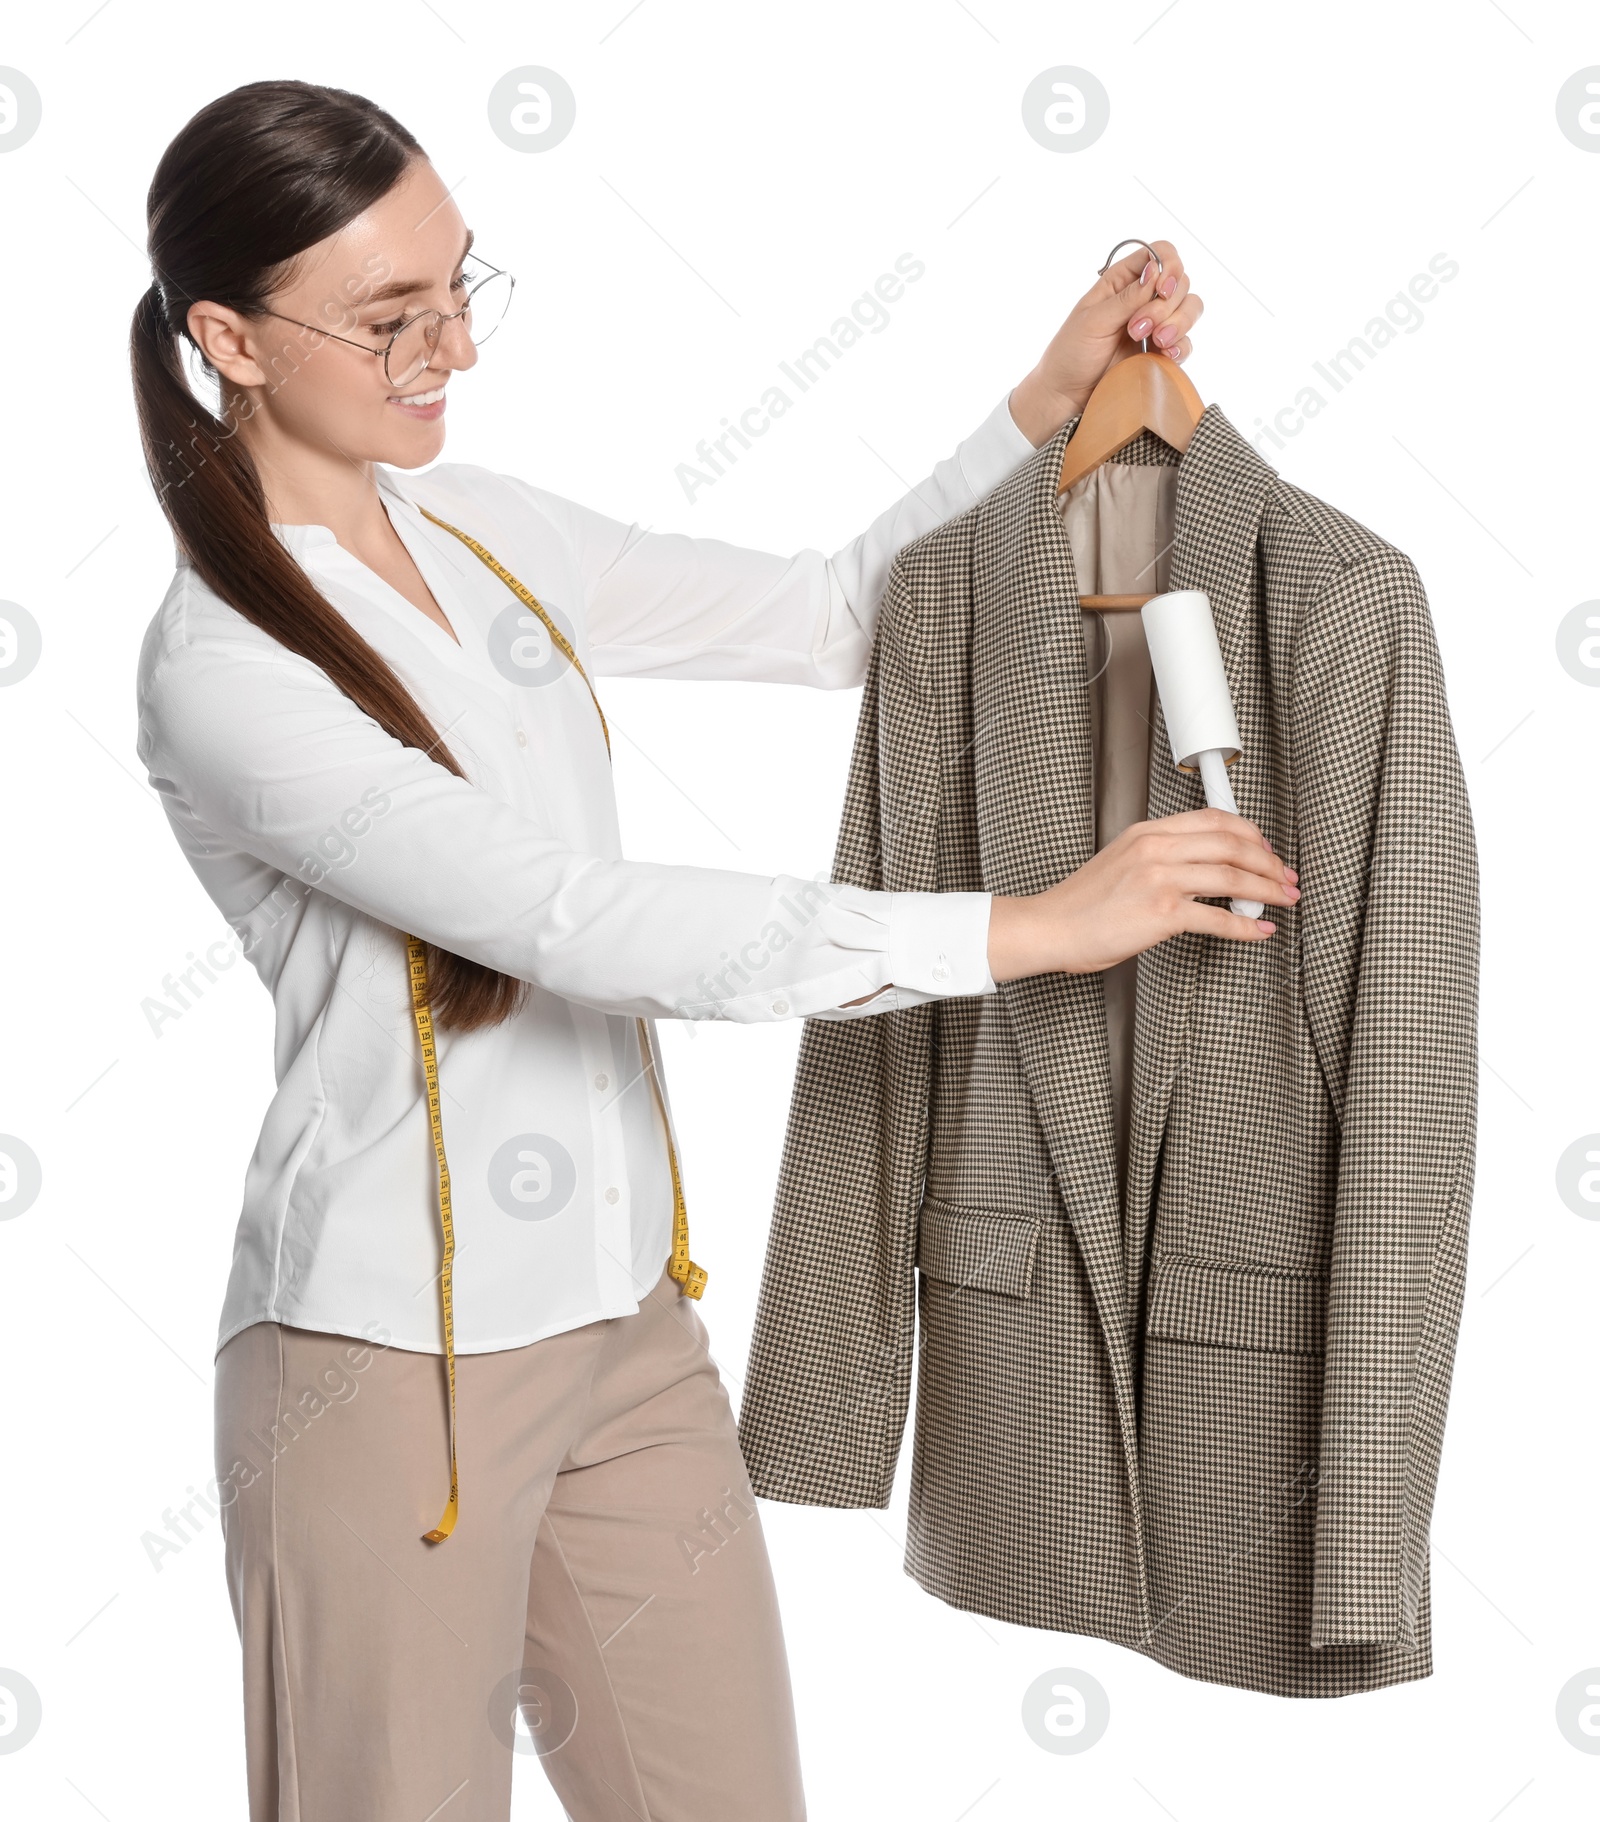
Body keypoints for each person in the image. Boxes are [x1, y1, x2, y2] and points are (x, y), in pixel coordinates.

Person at [131, 78, 1295, 1822]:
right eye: (390, 318)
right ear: (227, 334)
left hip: (628, 1338)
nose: (448, 345)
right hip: (381, 1385)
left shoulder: (483, 530)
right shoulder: (222, 666)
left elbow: (832, 613)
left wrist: (1044, 402)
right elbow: (571, 922)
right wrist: (1037, 928)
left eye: (461, 287)